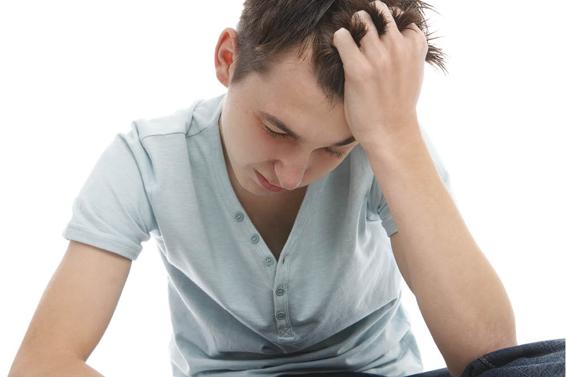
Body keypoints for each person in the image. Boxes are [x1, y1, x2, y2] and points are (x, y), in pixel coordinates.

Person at [8, 1, 565, 376]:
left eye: (333, 148)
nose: (293, 173)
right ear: (228, 60)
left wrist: (393, 134)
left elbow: (491, 357)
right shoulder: (146, 158)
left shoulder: (383, 141)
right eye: (276, 129)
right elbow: (42, 361)